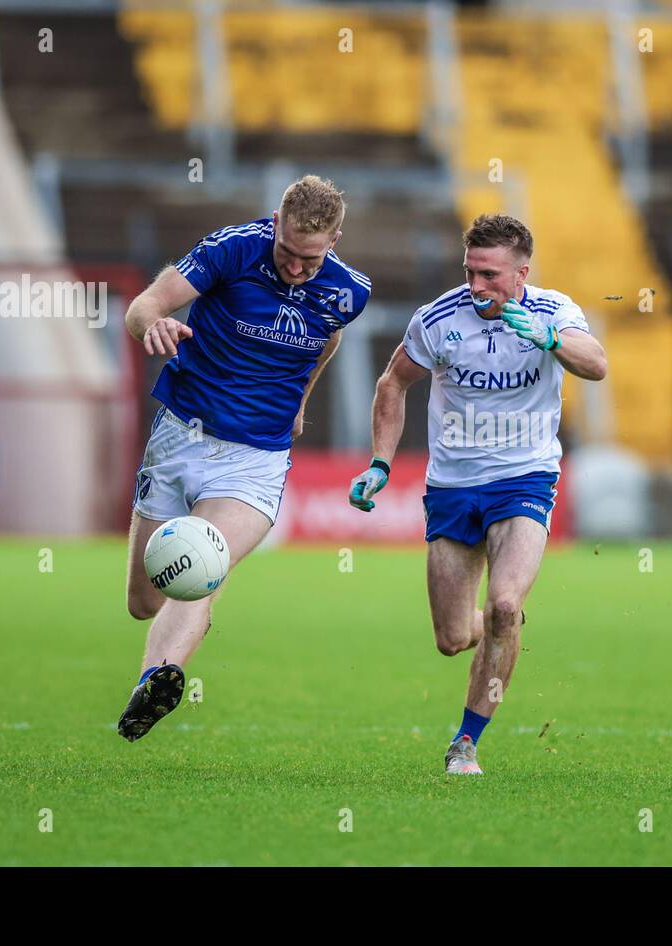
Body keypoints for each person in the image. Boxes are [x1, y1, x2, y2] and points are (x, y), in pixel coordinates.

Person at [348, 213, 607, 774]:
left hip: (525, 479)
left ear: (521, 273)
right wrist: (379, 463)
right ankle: (499, 631)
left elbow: (598, 364)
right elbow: (393, 381)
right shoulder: (439, 320)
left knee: (506, 604)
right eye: (470, 272)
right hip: (453, 486)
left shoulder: (553, 311)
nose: (477, 285)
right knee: (450, 638)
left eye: (490, 274)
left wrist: (553, 341)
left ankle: (466, 742)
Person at [118, 175, 371, 741]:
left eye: (312, 258)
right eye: (288, 253)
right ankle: (157, 664)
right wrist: (150, 325)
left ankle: (157, 679)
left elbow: (328, 335)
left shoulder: (349, 290)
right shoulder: (231, 248)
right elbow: (145, 304)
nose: (298, 269)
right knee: (142, 600)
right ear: (275, 224)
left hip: (256, 458)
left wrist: (301, 400)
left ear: (334, 240)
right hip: (181, 434)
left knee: (203, 564)